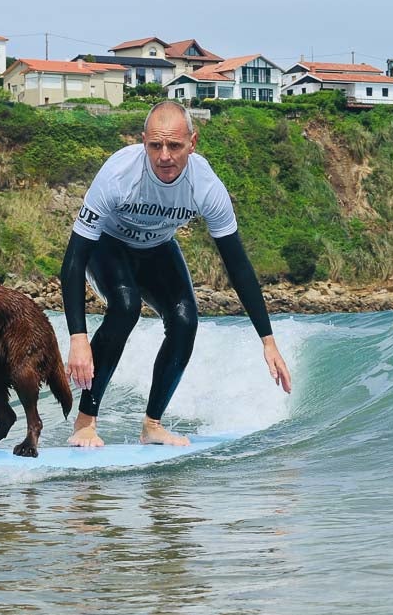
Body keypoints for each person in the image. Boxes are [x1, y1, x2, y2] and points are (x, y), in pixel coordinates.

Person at [61, 100, 292, 447]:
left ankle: (152, 425)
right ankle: (85, 423)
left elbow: (237, 264)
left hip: (157, 247)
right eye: (155, 145)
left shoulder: (206, 186)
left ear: (193, 143)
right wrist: (78, 338)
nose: (164, 156)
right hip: (108, 245)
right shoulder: (117, 175)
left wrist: (268, 340)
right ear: (143, 142)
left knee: (185, 321)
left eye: (174, 145)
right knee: (125, 307)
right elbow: (74, 260)